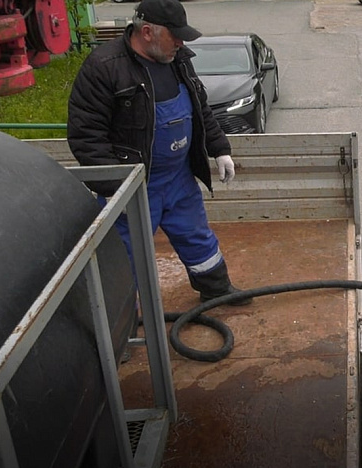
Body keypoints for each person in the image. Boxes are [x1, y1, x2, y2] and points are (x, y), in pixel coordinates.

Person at [67, 0, 251, 306]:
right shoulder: (104, 67)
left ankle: (216, 289)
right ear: (148, 32)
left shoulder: (178, 60)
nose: (181, 42)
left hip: (178, 178)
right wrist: (115, 188)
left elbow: (199, 108)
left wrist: (219, 148)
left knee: (197, 237)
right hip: (135, 184)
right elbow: (86, 135)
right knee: (125, 256)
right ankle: (120, 328)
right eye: (175, 35)